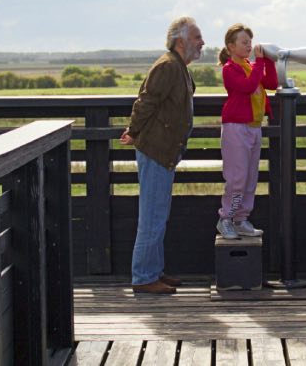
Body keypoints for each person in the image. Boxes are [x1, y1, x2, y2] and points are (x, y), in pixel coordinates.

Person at [119, 16, 204, 294]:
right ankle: (144, 277)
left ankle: (152, 271)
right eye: (196, 37)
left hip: (163, 151)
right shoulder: (168, 66)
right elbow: (146, 101)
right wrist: (133, 130)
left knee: (158, 214)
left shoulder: (177, 66)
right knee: (152, 216)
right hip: (156, 150)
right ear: (181, 41)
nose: (201, 42)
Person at [216, 23, 278, 239]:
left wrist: (268, 60)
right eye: (244, 42)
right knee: (237, 178)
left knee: (250, 177)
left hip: (253, 127)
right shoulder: (230, 69)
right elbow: (249, 86)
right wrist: (260, 62)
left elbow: (271, 82)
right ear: (231, 46)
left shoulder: (252, 66)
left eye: (250, 42)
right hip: (236, 128)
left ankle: (241, 219)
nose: (249, 46)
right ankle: (226, 219)